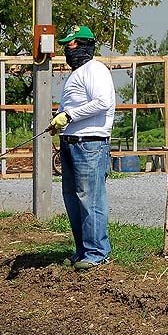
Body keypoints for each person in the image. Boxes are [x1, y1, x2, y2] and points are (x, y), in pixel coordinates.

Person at [47, 25, 116, 270]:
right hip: (69, 144)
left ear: (85, 44)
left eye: (71, 43)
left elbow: (102, 102)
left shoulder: (95, 70)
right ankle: (83, 250)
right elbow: (70, 106)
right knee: (73, 199)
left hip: (90, 145)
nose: (67, 48)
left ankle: (98, 252)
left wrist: (69, 115)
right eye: (66, 44)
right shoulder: (75, 74)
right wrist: (58, 120)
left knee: (91, 199)